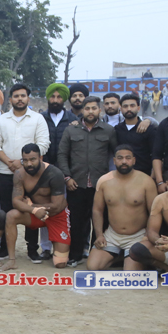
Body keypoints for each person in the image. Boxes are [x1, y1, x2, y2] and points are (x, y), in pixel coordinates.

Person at [0, 83, 50, 261]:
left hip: (31, 174)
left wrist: (22, 163)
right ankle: (3, 248)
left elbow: (43, 144)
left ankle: (32, 249)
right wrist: (9, 162)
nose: (20, 99)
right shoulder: (2, 120)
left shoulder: (38, 119)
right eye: (16, 96)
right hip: (6, 171)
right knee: (6, 210)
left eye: (23, 96)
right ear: (10, 100)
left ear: (28, 99)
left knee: (31, 208)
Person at [57, 96, 117, 266]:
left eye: (94, 108)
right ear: (82, 110)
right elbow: (62, 155)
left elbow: (117, 154)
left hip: (100, 186)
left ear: (100, 110)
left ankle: (95, 254)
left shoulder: (108, 131)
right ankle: (75, 255)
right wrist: (67, 177)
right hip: (76, 184)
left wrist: (112, 179)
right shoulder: (71, 130)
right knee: (77, 222)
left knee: (100, 222)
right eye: (87, 108)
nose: (91, 111)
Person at [0, 144, 69, 272]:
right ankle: (11, 260)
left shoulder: (55, 173)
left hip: (56, 215)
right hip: (35, 215)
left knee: (60, 263)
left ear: (40, 158)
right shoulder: (19, 174)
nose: (29, 164)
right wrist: (34, 211)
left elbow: (56, 206)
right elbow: (16, 202)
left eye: (33, 159)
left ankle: (59, 247)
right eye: (25, 160)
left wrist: (32, 206)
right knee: (11, 215)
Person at [87, 145, 158, 271]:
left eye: (128, 158)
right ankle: (120, 256)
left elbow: (154, 212)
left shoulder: (146, 181)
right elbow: (97, 210)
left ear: (134, 160)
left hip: (138, 235)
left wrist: (148, 235)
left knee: (130, 274)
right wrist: (99, 235)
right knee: (93, 267)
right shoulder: (104, 181)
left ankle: (131, 257)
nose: (124, 161)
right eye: (120, 158)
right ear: (114, 161)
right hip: (112, 235)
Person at [114, 93, 155, 174]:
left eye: (132, 106)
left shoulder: (149, 129)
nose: (129, 109)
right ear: (121, 109)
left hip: (144, 174)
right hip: (122, 174)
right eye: (125, 106)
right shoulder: (117, 130)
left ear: (138, 108)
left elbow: (156, 154)